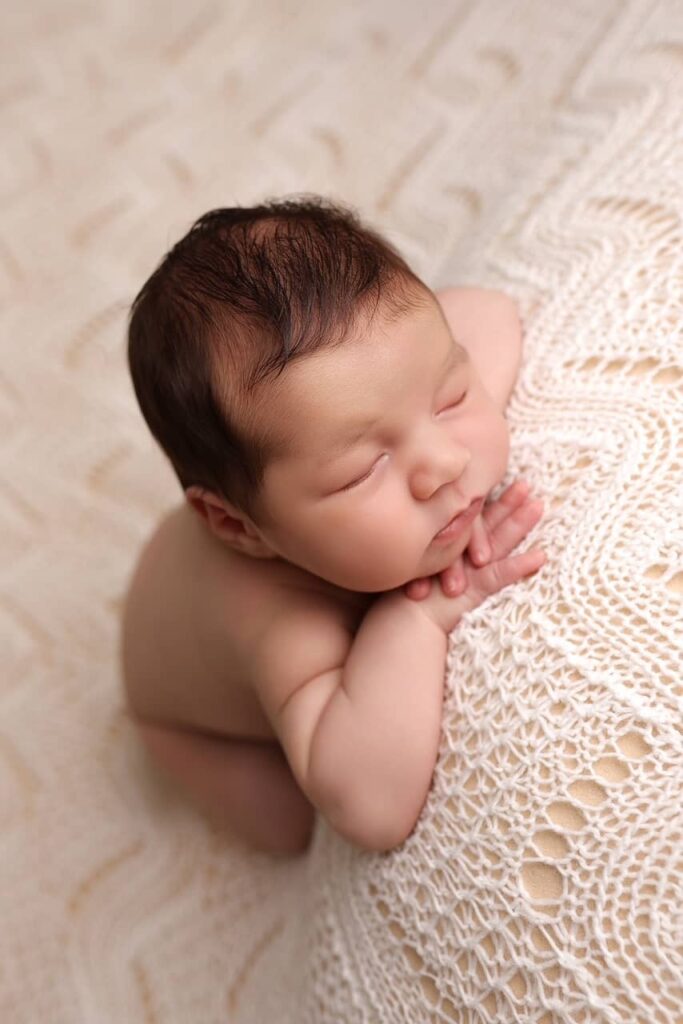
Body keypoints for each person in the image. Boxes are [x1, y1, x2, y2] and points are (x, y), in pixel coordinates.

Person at [120, 195, 546, 856]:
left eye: (449, 396)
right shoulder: (275, 616)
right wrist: (415, 616)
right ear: (241, 528)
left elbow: (486, 313)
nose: (444, 462)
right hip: (180, 714)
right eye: (362, 470)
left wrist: (444, 393)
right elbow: (367, 804)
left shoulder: (388, 392)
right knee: (289, 828)